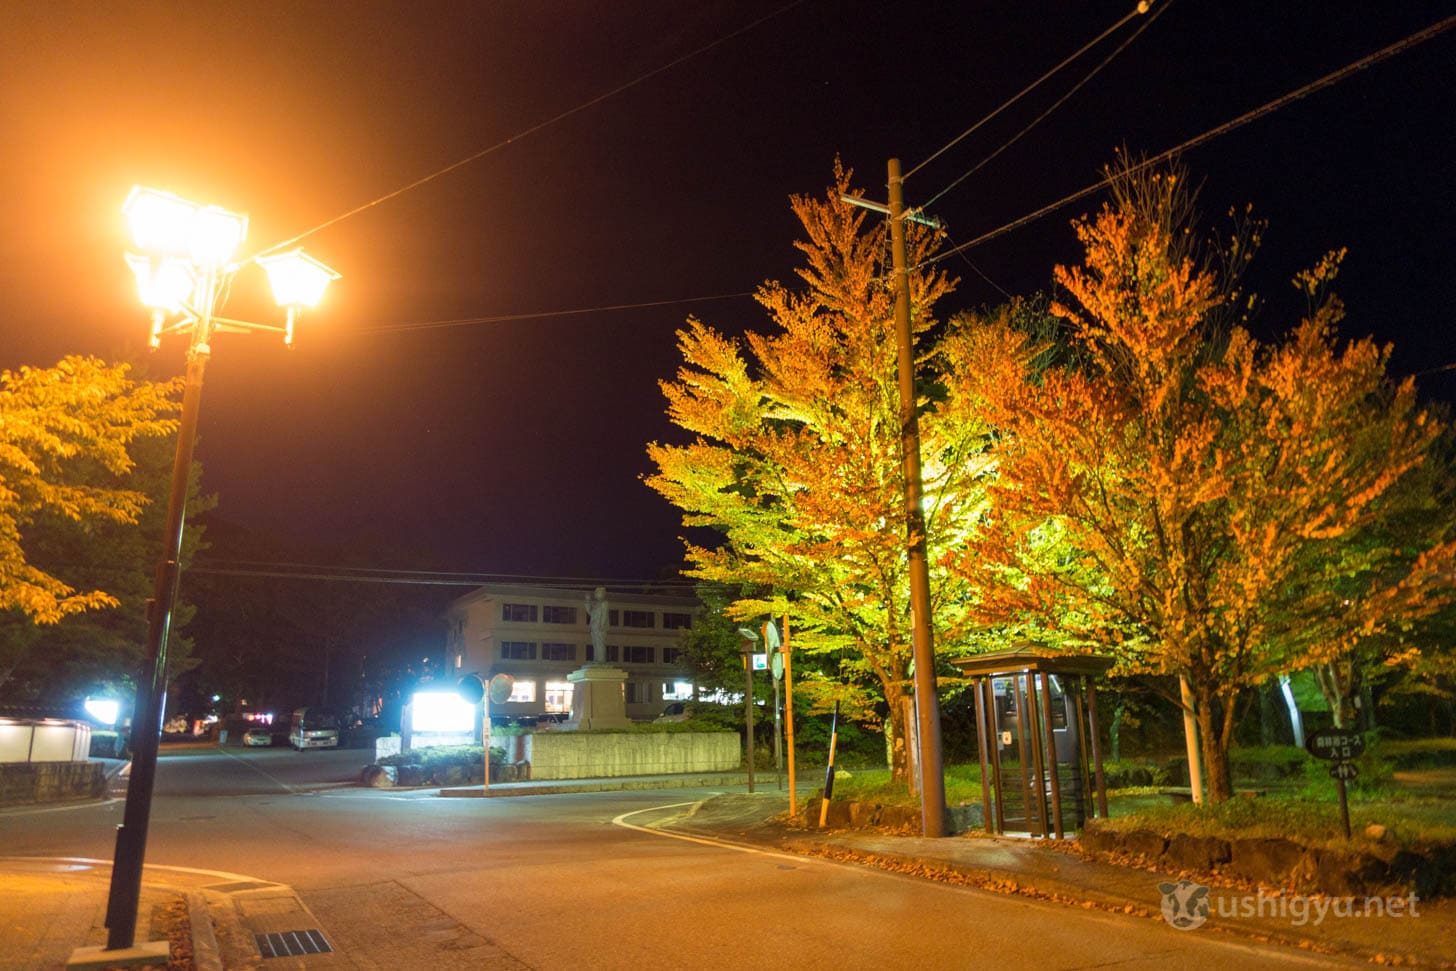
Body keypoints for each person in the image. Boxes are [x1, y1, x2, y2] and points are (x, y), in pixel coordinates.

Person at [585, 586, 609, 662]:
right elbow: (589, 612)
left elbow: (604, 615)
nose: (598, 594)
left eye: (600, 592)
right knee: (595, 643)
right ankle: (596, 659)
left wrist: (602, 625)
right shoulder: (596, 604)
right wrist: (588, 600)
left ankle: (601, 660)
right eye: (597, 593)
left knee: (600, 643)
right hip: (593, 626)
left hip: (600, 627)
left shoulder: (604, 603)